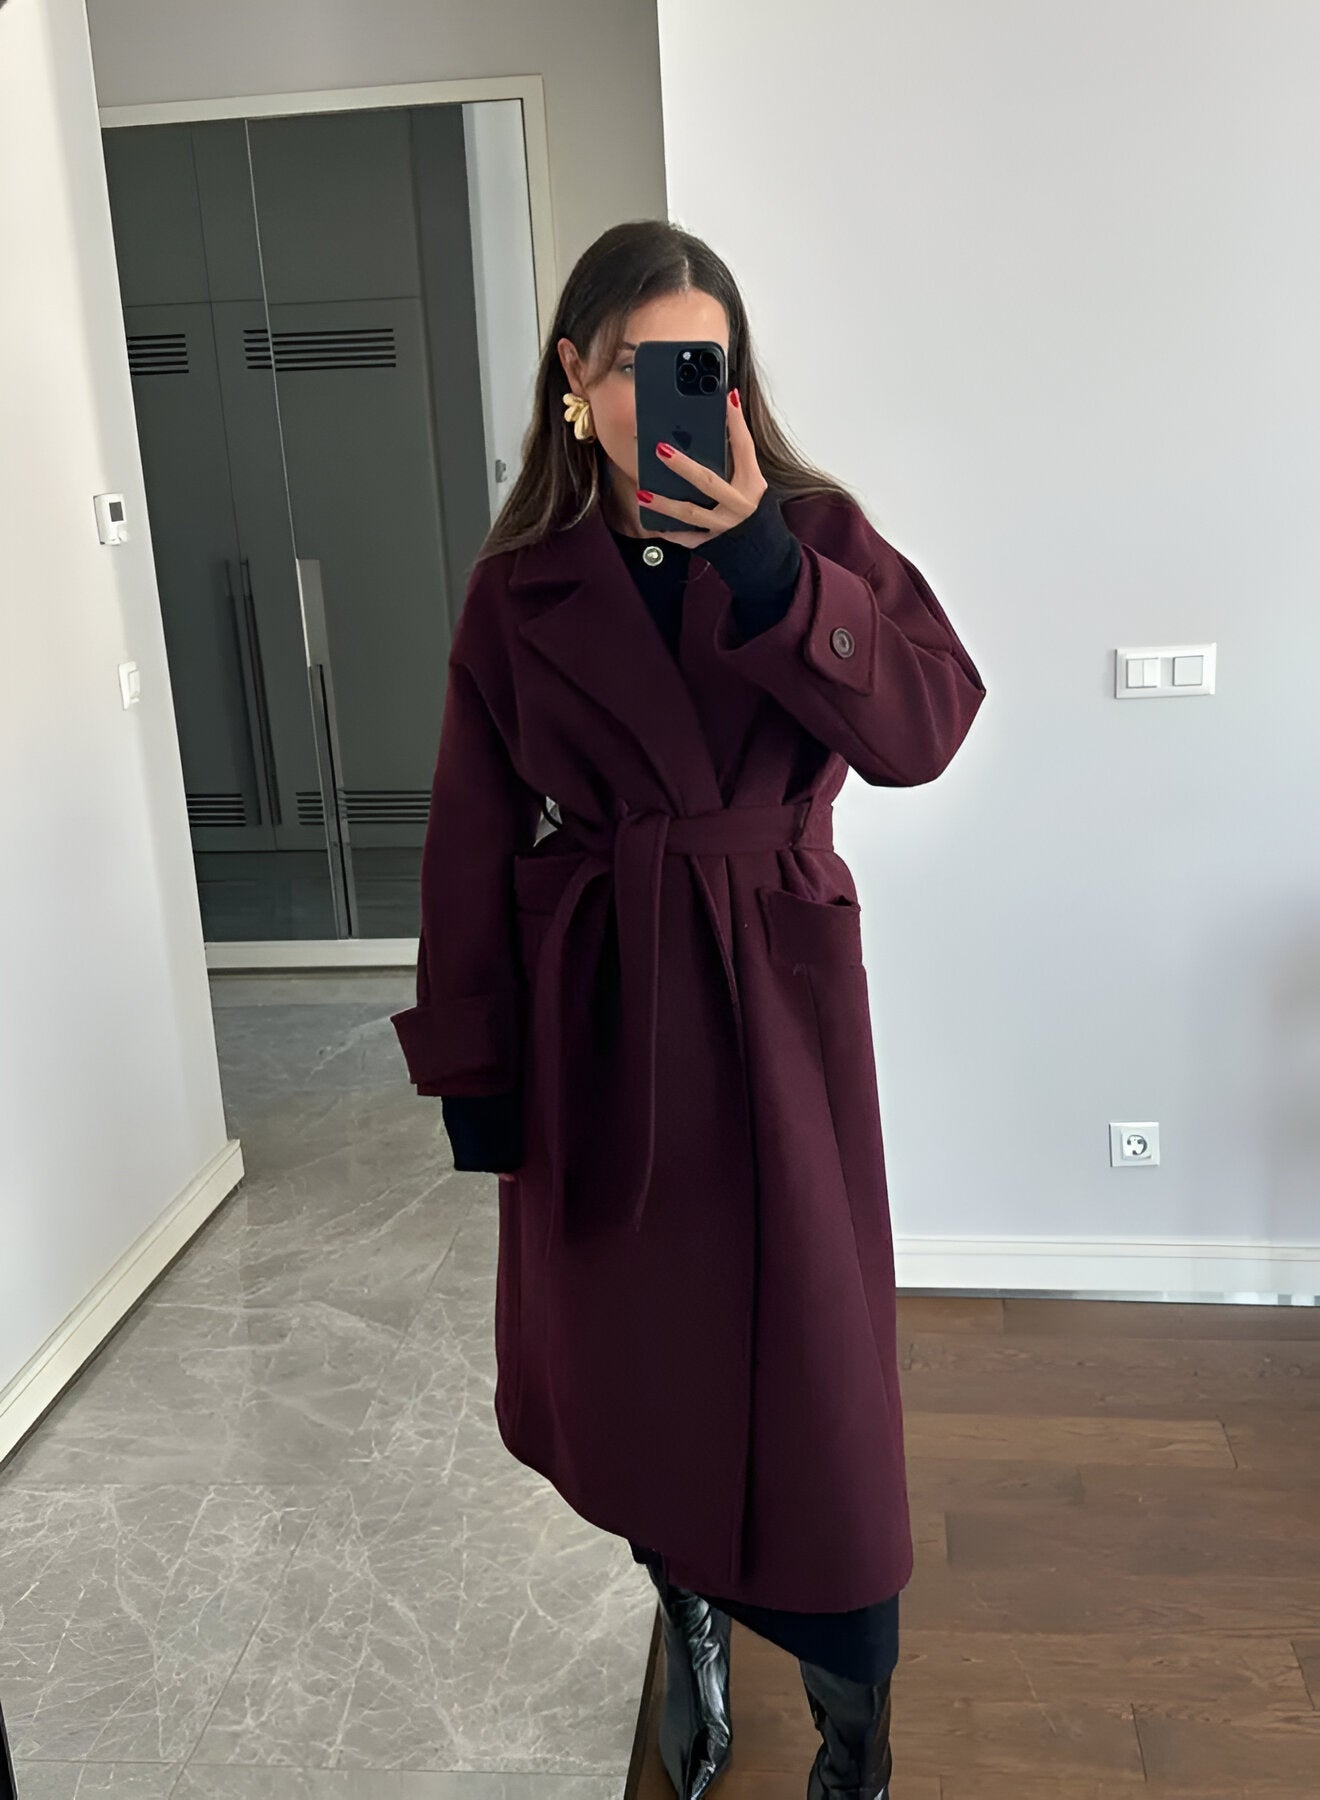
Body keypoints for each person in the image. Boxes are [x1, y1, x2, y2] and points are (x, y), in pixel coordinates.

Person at [391, 219, 986, 1800]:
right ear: (575, 382)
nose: (678, 397)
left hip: (781, 1010)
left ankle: (855, 1737)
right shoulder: (519, 590)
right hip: (606, 1018)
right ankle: (691, 1618)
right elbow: (466, 841)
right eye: (640, 366)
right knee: (643, 1372)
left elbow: (928, 727)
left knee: (823, 1398)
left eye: (703, 367)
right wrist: (478, 1071)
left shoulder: (811, 532)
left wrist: (771, 573)